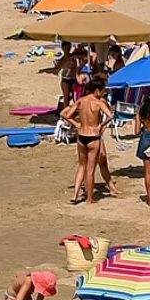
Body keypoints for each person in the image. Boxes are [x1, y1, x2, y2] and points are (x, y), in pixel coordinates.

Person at [61, 73, 112, 204]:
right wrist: (101, 125)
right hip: (93, 136)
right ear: (97, 90)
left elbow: (66, 115)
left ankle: (75, 194)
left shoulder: (80, 101)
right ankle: (89, 198)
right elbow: (110, 116)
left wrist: (76, 124)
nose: (102, 93)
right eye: (102, 91)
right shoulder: (98, 103)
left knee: (81, 166)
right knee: (90, 170)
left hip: (81, 135)